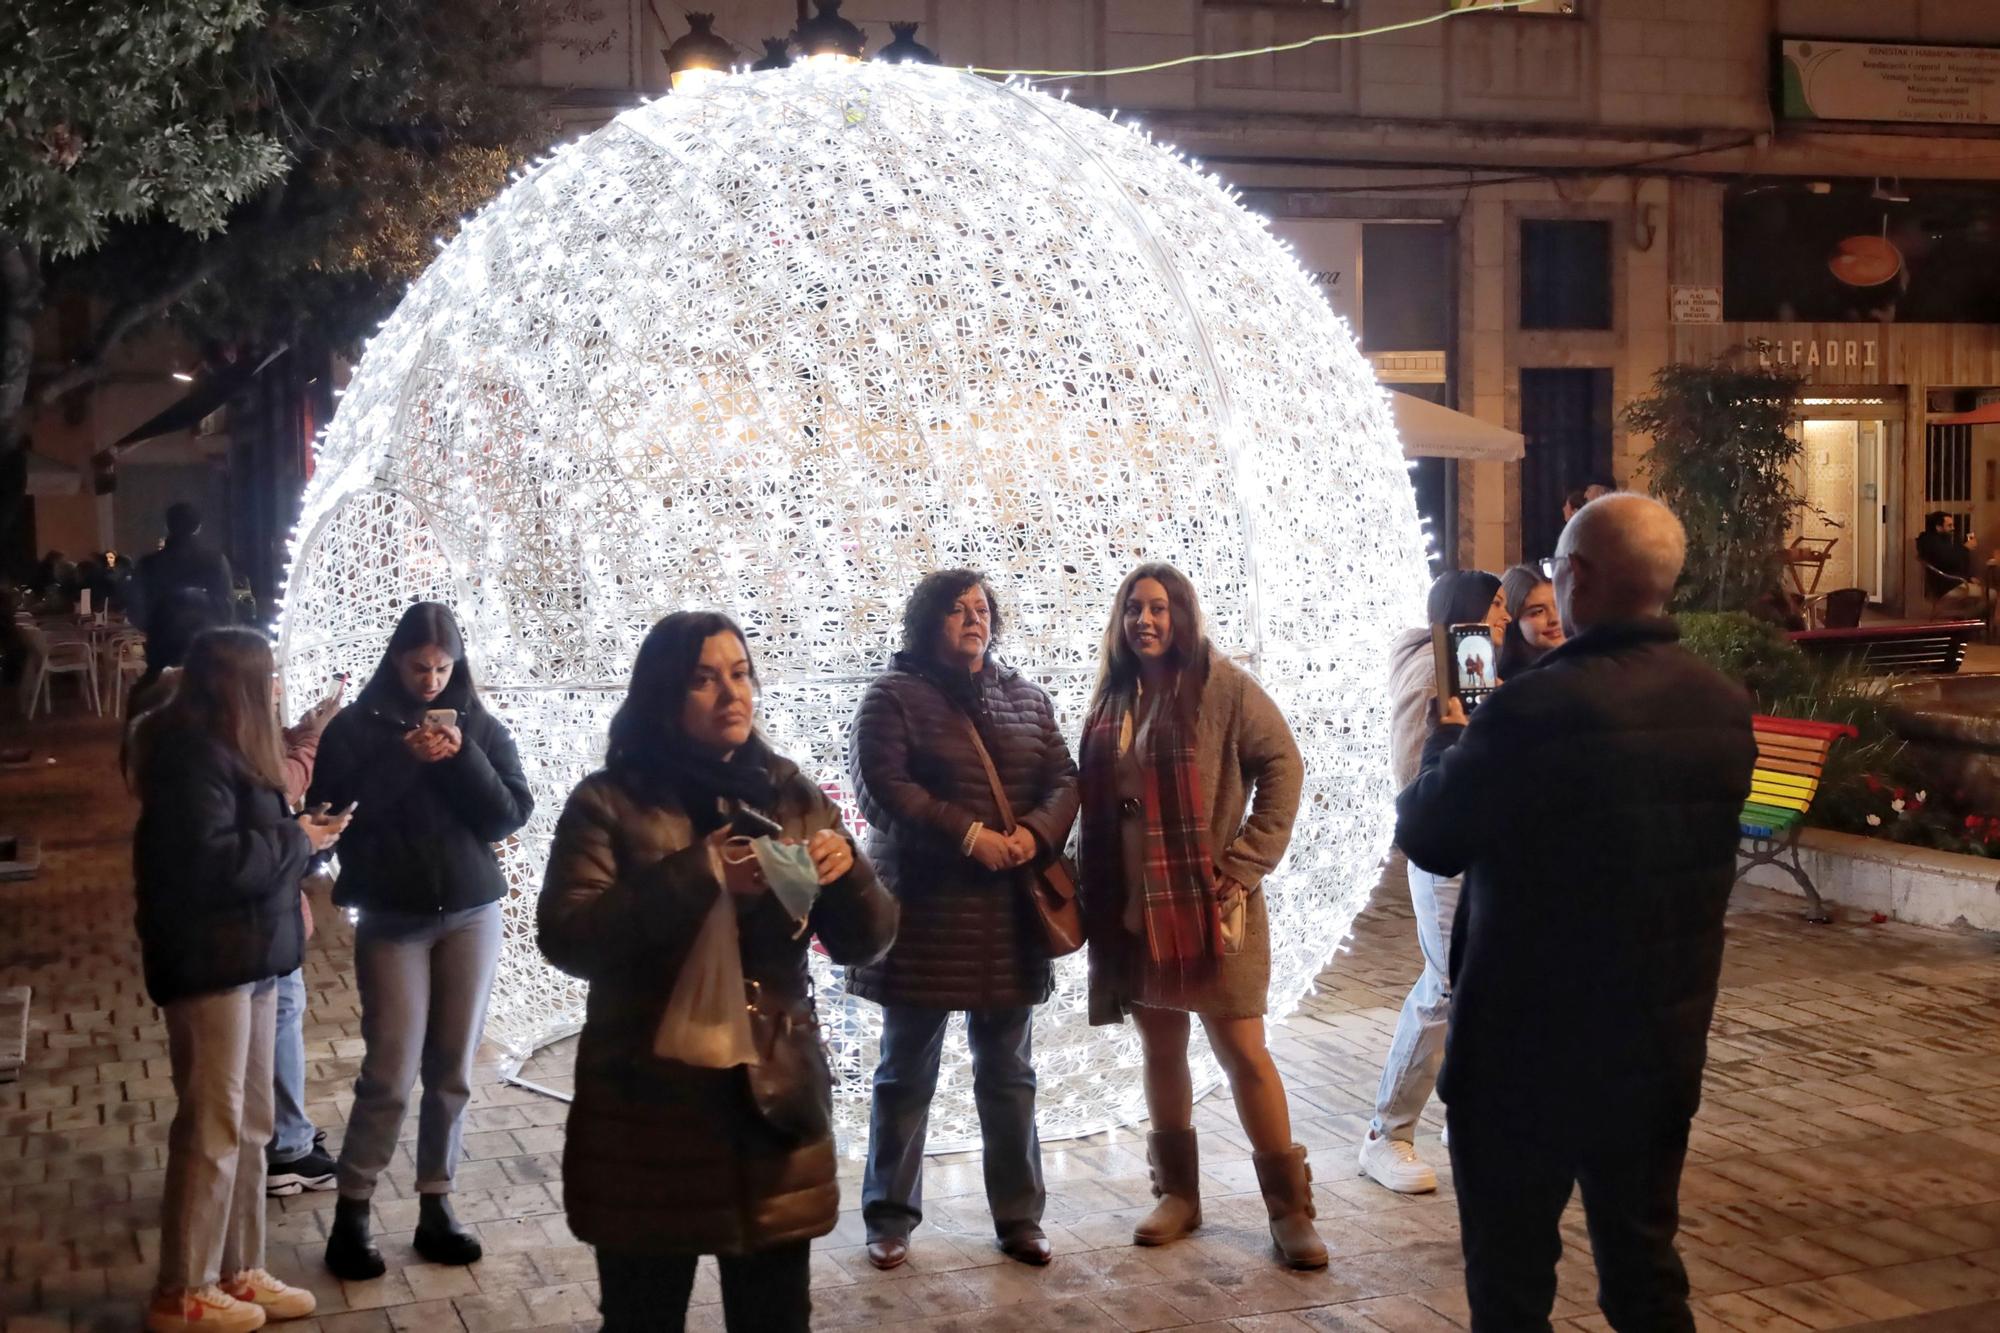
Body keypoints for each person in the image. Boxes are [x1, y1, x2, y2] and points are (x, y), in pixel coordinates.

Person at [1397, 494, 1755, 1331]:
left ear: (1579, 579)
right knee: (1644, 1266)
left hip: (1528, 1053)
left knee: (1513, 1278)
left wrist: (1455, 730)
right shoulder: (1719, 701)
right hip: (1658, 1042)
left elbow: (1430, 833)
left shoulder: (1533, 708)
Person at [538, 612, 897, 1332]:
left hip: (770, 1101)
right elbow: (569, 936)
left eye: (739, 673)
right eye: (704, 679)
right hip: (651, 1108)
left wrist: (848, 869)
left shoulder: (789, 792)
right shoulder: (607, 802)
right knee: (644, 1314)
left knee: (774, 1316)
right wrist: (701, 874)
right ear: (663, 694)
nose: (732, 693)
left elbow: (868, 939)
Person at [1077, 563, 1325, 1268]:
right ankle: (1178, 1196)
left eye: (1159, 608)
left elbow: (1283, 763)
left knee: (1243, 1050)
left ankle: (1290, 1209)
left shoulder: (1224, 686)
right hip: (1131, 905)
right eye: (1134, 608)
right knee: (1160, 1046)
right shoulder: (1113, 695)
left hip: (1209, 905)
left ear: (1183, 616)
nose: (1145, 620)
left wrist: (1245, 862)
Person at [848, 569, 1080, 1271]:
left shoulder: (1026, 698)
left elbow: (1066, 779)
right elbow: (881, 787)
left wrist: (1035, 836)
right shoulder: (893, 696)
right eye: (957, 609)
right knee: (904, 1072)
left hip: (1007, 914)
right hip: (924, 911)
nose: (973, 619)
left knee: (1009, 1073)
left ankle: (1019, 1216)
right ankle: (889, 1216)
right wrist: (966, 833)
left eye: (981, 608)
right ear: (927, 621)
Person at [128, 628, 347, 1331]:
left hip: (253, 956)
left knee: (251, 1124)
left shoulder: (237, 750)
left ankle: (237, 1267)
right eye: (270, 677)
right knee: (214, 1126)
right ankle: (182, 1288)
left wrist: (297, 837)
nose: (278, 687)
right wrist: (297, 840)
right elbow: (210, 865)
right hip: (211, 961)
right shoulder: (193, 756)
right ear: (240, 684)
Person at [310, 602, 533, 1280]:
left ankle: (437, 1201)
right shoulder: (354, 727)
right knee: (388, 1070)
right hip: (392, 913)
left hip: (470, 908)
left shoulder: (479, 723)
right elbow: (334, 813)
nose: (432, 681)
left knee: (452, 1069)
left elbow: (509, 812)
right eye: (419, 667)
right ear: (395, 660)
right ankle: (353, 1210)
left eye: (442, 667)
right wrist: (403, 763)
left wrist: (461, 756)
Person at [1358, 570, 1508, 1196]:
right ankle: (1387, 1134)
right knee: (1445, 985)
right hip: (1448, 852)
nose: (1503, 617)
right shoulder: (1438, 675)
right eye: (1495, 606)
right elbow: (1428, 777)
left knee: (1482, 981)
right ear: (1465, 616)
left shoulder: (1475, 671)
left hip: (1483, 847)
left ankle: (1467, 1109)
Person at [264, 676, 347, 1197]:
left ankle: (286, 1136)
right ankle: (286, 1149)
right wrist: (317, 735)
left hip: (271, 917)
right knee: (280, 1019)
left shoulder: (200, 732)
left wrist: (304, 728)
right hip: (265, 919)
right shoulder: (229, 745)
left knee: (283, 1016)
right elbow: (282, 781)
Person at [136, 503, 235, 635]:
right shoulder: (216, 562)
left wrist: (156, 628)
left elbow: (136, 609)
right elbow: (226, 607)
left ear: (167, 526)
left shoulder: (148, 564)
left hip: (162, 643)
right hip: (205, 641)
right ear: (198, 527)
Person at [1496, 563, 1565, 680]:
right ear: (1511, 620)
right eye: (1538, 612)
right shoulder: (1510, 683)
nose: (1555, 619)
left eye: (1559, 605)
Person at [1916, 510, 1980, 602]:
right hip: (1947, 586)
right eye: (1949, 525)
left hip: (1953, 582)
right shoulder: (1932, 543)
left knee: (1986, 593)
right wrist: (1965, 548)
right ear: (1938, 527)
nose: (1953, 528)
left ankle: (1967, 615)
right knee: (1992, 594)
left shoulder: (1942, 540)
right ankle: (1970, 615)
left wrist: (1969, 577)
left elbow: (1954, 562)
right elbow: (1948, 561)